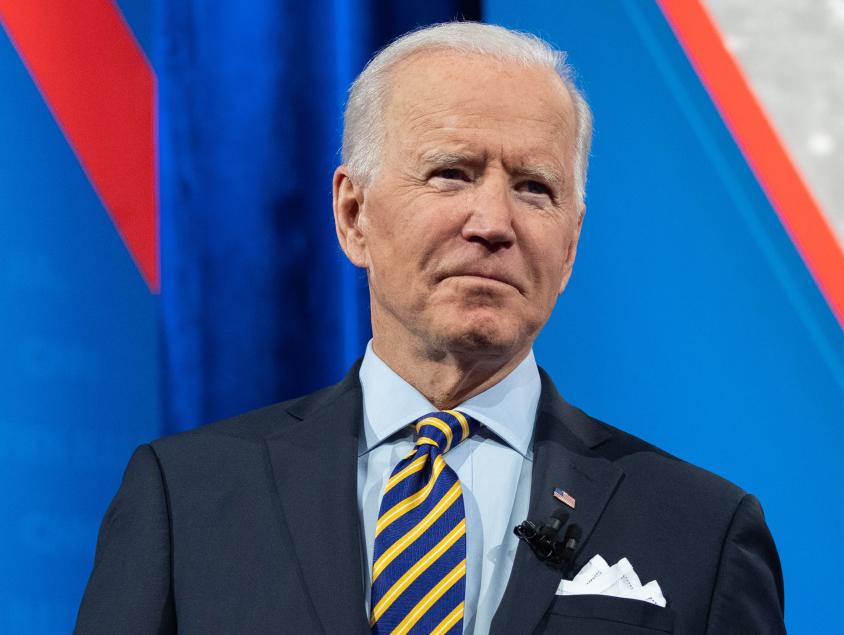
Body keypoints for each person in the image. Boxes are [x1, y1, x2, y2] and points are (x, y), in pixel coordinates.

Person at [76, 22, 785, 635]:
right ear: (354, 215)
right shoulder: (186, 497)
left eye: (534, 187)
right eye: (452, 173)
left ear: (570, 244)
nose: (493, 223)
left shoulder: (701, 529)